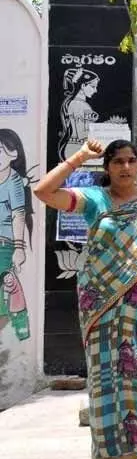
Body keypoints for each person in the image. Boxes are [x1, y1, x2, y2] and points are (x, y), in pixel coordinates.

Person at [33, 139, 137, 459]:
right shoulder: (95, 200)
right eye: (117, 161)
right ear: (107, 167)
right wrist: (79, 157)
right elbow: (43, 191)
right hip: (103, 310)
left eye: (132, 161)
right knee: (109, 384)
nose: (125, 168)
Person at [0, 129, 33, 341]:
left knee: (9, 284)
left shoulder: (14, 182)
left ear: (13, 154)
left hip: (4, 244)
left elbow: (18, 215)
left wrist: (19, 248)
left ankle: (20, 325)